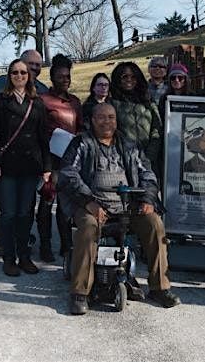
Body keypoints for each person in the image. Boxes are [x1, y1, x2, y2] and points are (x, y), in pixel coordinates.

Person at [58, 102, 181, 315]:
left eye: (111, 117)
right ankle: (80, 292)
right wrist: (89, 201)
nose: (107, 122)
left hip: (127, 205)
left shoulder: (130, 146)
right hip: (91, 205)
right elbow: (69, 174)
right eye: (102, 117)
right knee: (87, 228)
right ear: (92, 121)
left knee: (155, 224)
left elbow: (148, 175)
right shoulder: (82, 143)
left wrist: (148, 199)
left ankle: (159, 287)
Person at [0, 59, 51, 276]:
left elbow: (43, 137)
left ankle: (24, 256)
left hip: (31, 164)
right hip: (7, 165)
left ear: (29, 76)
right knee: (8, 214)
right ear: (9, 75)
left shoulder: (38, 103)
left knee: (25, 213)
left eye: (23, 72)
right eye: (14, 72)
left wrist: (47, 166)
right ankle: (9, 258)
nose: (19, 76)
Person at [37, 54, 82, 262]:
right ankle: (44, 245)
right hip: (49, 158)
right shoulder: (43, 100)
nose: (65, 80)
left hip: (69, 160)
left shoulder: (75, 102)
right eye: (61, 76)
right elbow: (37, 129)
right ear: (52, 77)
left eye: (68, 76)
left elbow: (80, 127)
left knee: (66, 206)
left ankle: (66, 246)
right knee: (46, 203)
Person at [109, 62, 162, 173]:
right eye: (125, 77)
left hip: (149, 161)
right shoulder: (111, 103)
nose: (129, 80)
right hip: (122, 161)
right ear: (118, 79)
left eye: (133, 77)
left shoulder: (148, 101)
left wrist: (150, 155)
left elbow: (157, 128)